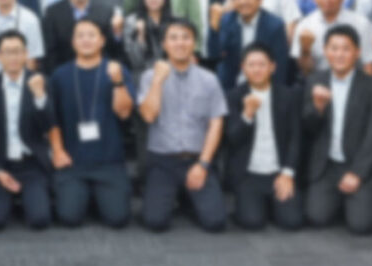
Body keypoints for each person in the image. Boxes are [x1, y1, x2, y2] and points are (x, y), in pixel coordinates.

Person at [137, 20, 228, 232]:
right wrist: (158, 81)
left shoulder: (209, 79)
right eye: (173, 38)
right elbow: (148, 116)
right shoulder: (149, 77)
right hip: (162, 160)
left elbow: (216, 123)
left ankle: (187, 198)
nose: (180, 43)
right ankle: (178, 194)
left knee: (215, 223)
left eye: (186, 37)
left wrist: (203, 165)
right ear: (164, 44)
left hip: (197, 159)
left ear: (194, 43)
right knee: (155, 222)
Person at [302, 25, 372, 235]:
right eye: (334, 48)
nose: (339, 54)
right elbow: (308, 129)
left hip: (359, 164)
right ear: (325, 51)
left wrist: (357, 173)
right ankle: (341, 200)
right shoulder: (315, 81)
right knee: (316, 217)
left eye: (346, 49)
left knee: (362, 225)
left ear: (357, 52)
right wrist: (318, 108)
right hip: (328, 165)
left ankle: (360, 198)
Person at [48, 19, 135, 228]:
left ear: (102, 40)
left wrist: (118, 82)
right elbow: (52, 119)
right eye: (80, 35)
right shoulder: (60, 75)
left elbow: (124, 113)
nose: (86, 40)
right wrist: (58, 151)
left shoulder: (117, 70)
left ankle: (96, 196)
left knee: (118, 219)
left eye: (91, 35)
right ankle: (85, 195)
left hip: (109, 162)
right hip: (73, 163)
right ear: (73, 42)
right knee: (69, 218)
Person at [0, 30, 54, 230]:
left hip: (31, 164)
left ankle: (28, 197)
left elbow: (49, 126)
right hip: (1, 164)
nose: (13, 57)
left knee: (40, 220)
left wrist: (39, 97)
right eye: (8, 52)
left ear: (26, 54)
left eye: (18, 51)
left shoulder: (40, 82)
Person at [225, 42, 303, 231]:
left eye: (262, 64)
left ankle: (271, 203)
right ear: (243, 68)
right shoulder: (234, 96)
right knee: (252, 222)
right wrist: (247, 115)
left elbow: (295, 137)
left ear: (272, 67)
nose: (257, 69)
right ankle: (256, 203)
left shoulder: (288, 95)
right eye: (251, 65)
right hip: (248, 173)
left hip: (278, 171)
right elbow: (231, 139)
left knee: (292, 221)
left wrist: (287, 173)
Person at [207, 0, 288, 90]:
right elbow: (214, 54)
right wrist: (214, 26)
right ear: (232, 1)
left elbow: (280, 65)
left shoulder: (275, 25)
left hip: (263, 85)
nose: (243, 1)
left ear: (260, 0)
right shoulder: (226, 21)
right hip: (230, 85)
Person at [291, 0, 372, 78]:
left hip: (354, 80)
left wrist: (367, 87)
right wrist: (305, 50)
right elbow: (306, 72)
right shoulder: (305, 25)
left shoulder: (361, 23)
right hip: (318, 80)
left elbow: (369, 64)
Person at [42, 0, 117, 73]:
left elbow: (111, 49)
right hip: (64, 73)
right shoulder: (52, 12)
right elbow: (50, 53)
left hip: (98, 73)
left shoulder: (105, 11)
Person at [123, 0, 173, 76]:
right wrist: (141, 36)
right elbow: (135, 61)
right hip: (142, 76)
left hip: (170, 75)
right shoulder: (132, 22)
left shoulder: (174, 22)